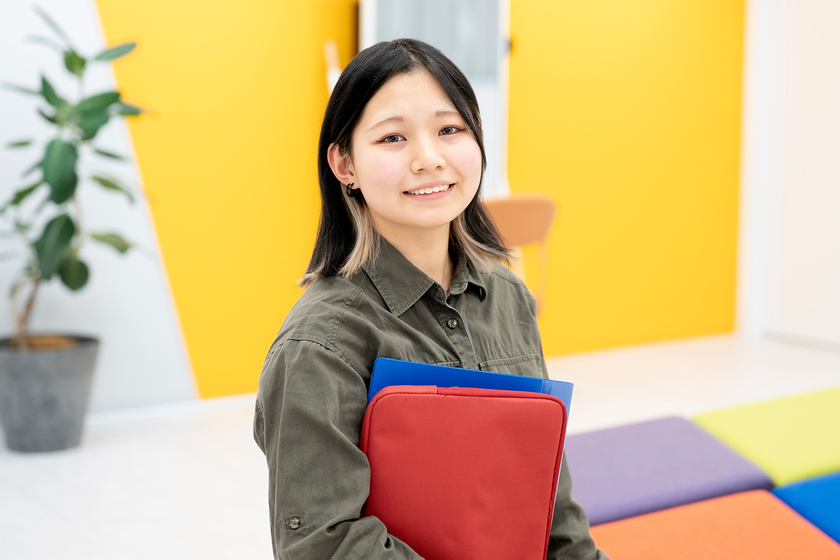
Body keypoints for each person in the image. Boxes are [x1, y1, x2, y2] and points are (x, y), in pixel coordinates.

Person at [254, 38, 608, 560]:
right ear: (344, 164)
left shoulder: (507, 294)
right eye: (393, 137)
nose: (429, 158)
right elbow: (323, 543)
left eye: (450, 129)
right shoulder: (318, 346)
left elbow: (546, 493)